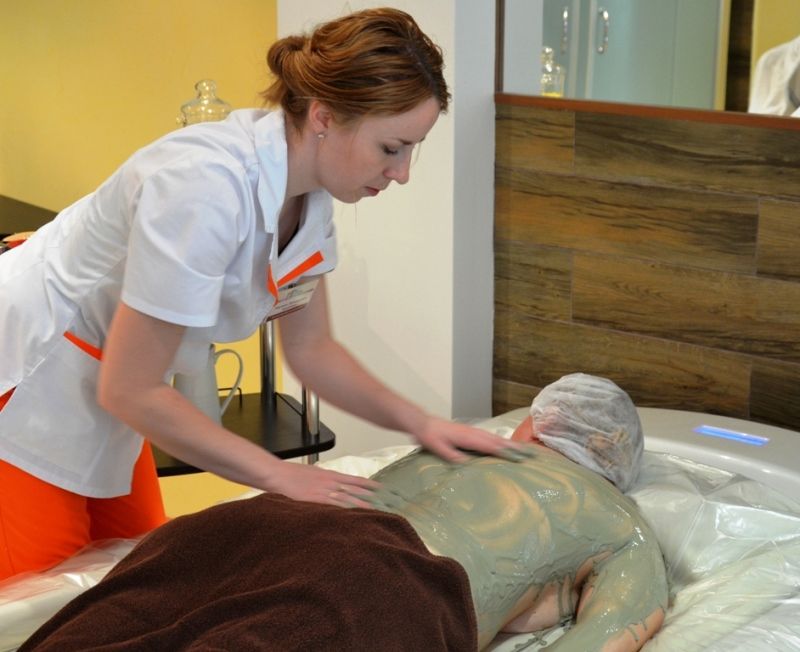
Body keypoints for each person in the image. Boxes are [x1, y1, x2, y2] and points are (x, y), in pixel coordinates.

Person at [0, 7, 524, 582]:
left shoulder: (310, 200)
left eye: (411, 150)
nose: (402, 173)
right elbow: (131, 388)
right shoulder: (202, 187)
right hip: (31, 375)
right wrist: (280, 475)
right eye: (391, 148)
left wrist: (422, 424)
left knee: (137, 574)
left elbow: (312, 350)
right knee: (37, 601)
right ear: (324, 116)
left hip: (113, 385)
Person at [19, 374, 668, 652]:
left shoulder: (461, 445)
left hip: (258, 521)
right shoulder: (619, 523)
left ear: (537, 423)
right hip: (379, 579)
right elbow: (608, 634)